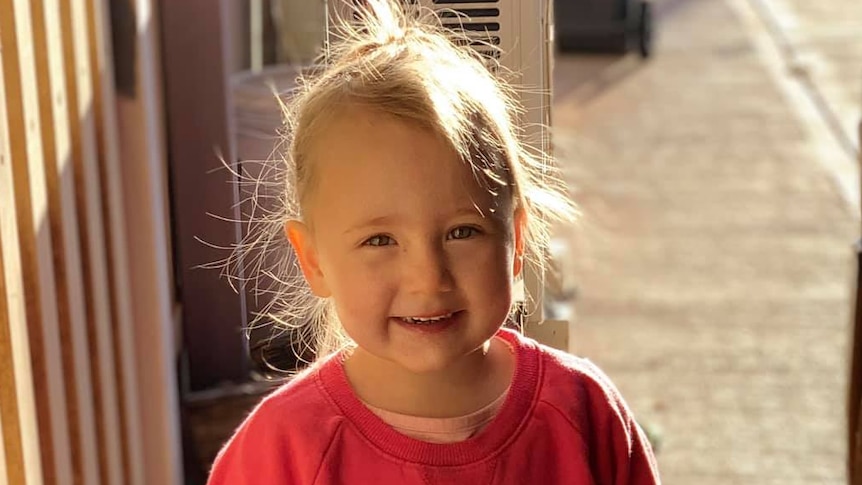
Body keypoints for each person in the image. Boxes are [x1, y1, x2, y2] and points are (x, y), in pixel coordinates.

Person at [208, 1, 661, 483]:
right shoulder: (280, 449)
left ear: (517, 238)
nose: (428, 277)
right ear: (313, 260)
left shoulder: (584, 411)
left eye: (462, 232)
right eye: (380, 240)